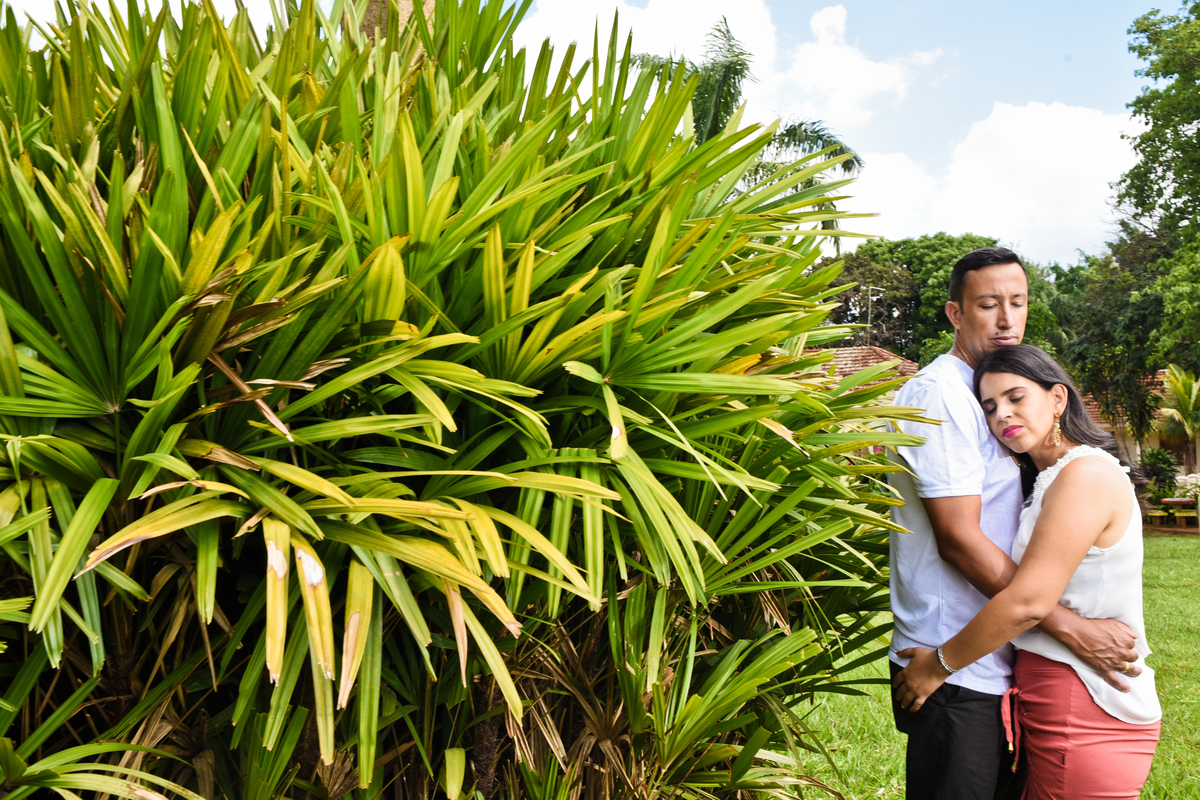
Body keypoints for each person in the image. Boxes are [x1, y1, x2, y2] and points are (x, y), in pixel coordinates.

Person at [887, 247, 1140, 799]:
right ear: (956, 314)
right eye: (987, 305)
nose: (1006, 319)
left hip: (999, 658)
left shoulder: (991, 393)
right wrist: (1072, 629)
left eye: (1017, 303)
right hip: (951, 662)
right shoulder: (942, 396)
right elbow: (959, 540)